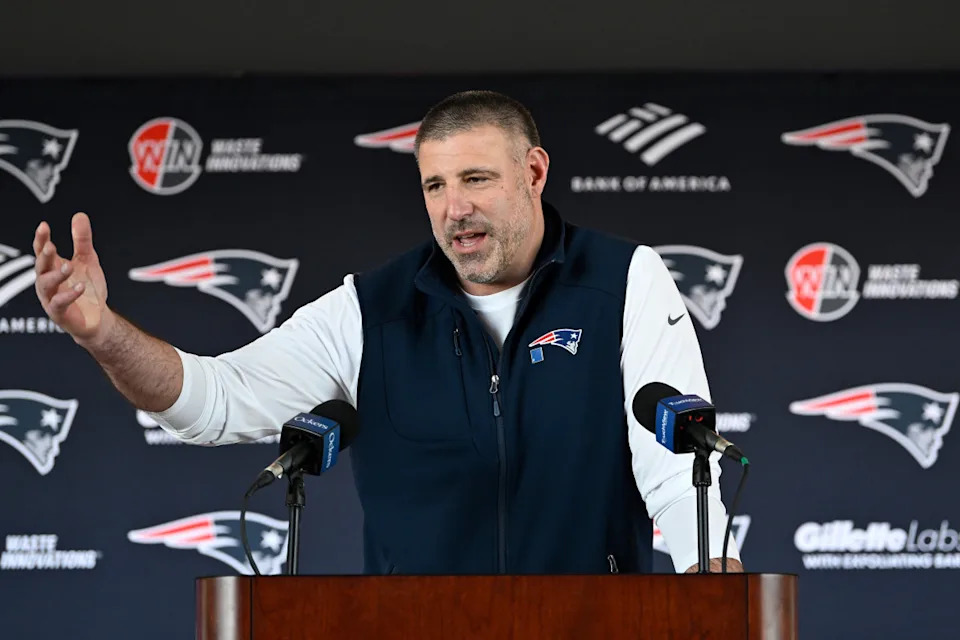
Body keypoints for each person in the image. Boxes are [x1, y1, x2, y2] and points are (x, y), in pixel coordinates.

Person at [32, 90, 743, 575]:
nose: (454, 208)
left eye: (476, 179)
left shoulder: (624, 280)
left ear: (534, 171)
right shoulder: (369, 309)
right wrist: (102, 334)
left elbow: (679, 474)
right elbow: (212, 401)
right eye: (435, 186)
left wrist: (714, 586)